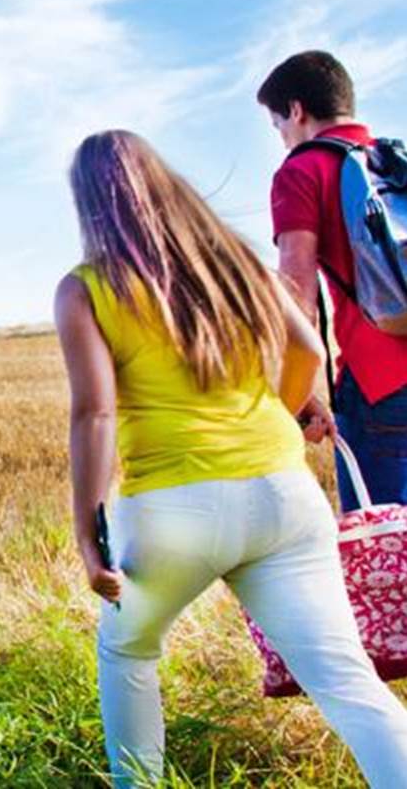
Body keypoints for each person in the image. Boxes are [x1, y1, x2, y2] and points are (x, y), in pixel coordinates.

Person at [56, 129, 407, 789]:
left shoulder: (87, 289)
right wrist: (281, 412)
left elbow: (95, 414)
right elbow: (306, 349)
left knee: (129, 652)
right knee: (348, 681)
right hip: (284, 497)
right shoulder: (236, 263)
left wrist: (87, 529)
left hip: (171, 509)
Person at [258, 49, 407, 509]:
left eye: (278, 124)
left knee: (388, 552)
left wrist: (297, 395)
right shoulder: (391, 159)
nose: (282, 137)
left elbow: (296, 291)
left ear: (297, 110)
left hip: (380, 381)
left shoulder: (301, 171)